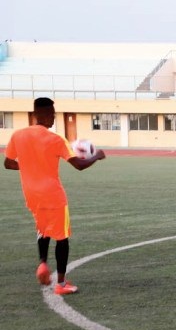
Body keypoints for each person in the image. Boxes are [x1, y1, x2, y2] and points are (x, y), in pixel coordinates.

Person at [3, 97, 106, 294]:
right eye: (50, 114)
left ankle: (42, 263)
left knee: (43, 229)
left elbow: (8, 163)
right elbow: (79, 165)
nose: (52, 117)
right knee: (62, 237)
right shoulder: (56, 139)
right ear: (39, 115)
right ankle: (61, 284)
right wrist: (96, 156)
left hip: (31, 195)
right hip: (53, 195)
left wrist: (29, 166)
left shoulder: (18, 135)